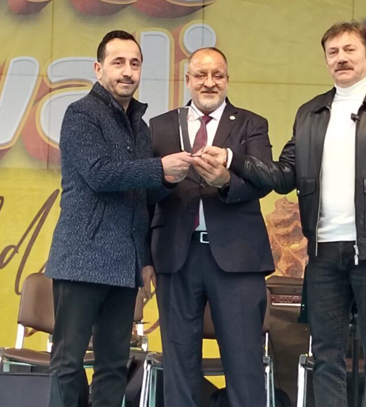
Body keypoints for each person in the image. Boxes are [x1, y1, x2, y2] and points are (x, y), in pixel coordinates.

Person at [205, 21, 366, 406]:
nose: (341, 58)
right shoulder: (310, 113)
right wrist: (233, 158)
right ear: (326, 60)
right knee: (326, 357)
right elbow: (284, 176)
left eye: (350, 50)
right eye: (333, 52)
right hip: (324, 255)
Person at [45, 30, 192, 407]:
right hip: (81, 260)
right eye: (118, 62)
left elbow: (141, 196)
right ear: (98, 69)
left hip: (124, 265)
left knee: (113, 365)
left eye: (135, 63)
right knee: (67, 362)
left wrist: (170, 179)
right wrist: (159, 168)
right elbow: (100, 174)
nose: (127, 71)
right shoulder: (80, 114)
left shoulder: (139, 127)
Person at [146, 47, 274, 407]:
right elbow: (143, 195)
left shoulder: (251, 124)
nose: (209, 82)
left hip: (238, 259)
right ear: (187, 80)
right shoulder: (160, 126)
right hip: (175, 257)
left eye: (217, 75)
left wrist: (226, 181)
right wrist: (166, 179)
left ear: (228, 80)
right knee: (178, 364)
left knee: (244, 364)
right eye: (201, 75)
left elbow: (266, 179)